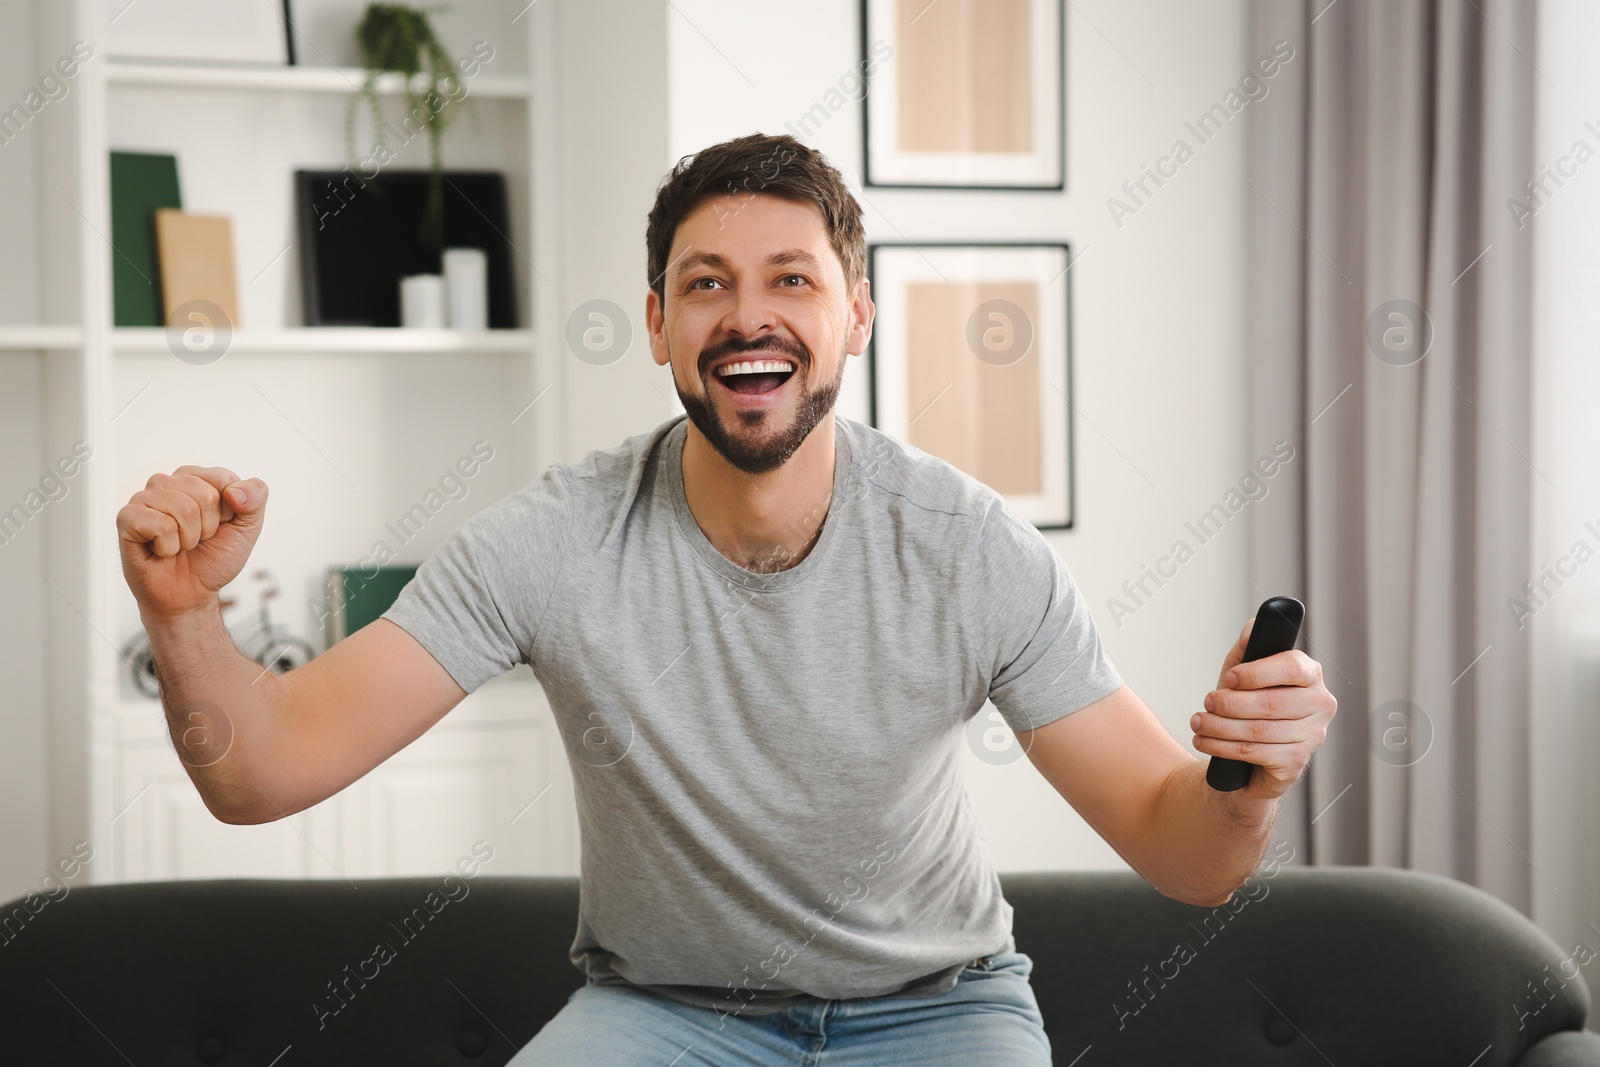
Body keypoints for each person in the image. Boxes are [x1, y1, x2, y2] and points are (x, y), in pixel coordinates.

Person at [116, 132, 1337, 1065]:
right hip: (662, 1015)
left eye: (791, 280)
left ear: (853, 313)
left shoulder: (967, 544)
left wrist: (1249, 776)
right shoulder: (552, 538)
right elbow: (259, 770)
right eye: (704, 284)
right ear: (656, 324)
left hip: (939, 1013)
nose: (747, 314)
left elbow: (1185, 857)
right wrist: (182, 614)